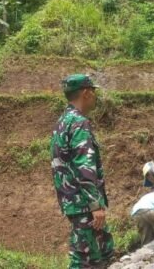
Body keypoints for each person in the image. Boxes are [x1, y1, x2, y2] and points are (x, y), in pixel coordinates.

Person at [51, 74, 114, 268]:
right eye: (93, 92)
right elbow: (83, 165)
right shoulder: (79, 123)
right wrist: (95, 205)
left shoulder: (63, 122)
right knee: (86, 259)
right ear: (86, 93)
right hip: (83, 204)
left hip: (73, 200)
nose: (95, 97)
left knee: (100, 252)